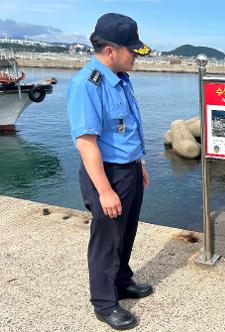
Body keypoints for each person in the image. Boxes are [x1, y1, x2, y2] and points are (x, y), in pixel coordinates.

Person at [67, 13, 153, 330]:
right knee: (106, 239)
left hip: (128, 170)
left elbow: (127, 128)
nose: (135, 57)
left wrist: (139, 163)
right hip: (106, 173)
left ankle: (121, 280)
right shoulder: (87, 85)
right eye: (132, 50)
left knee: (126, 231)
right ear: (111, 49)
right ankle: (104, 302)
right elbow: (87, 143)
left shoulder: (120, 78)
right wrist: (104, 190)